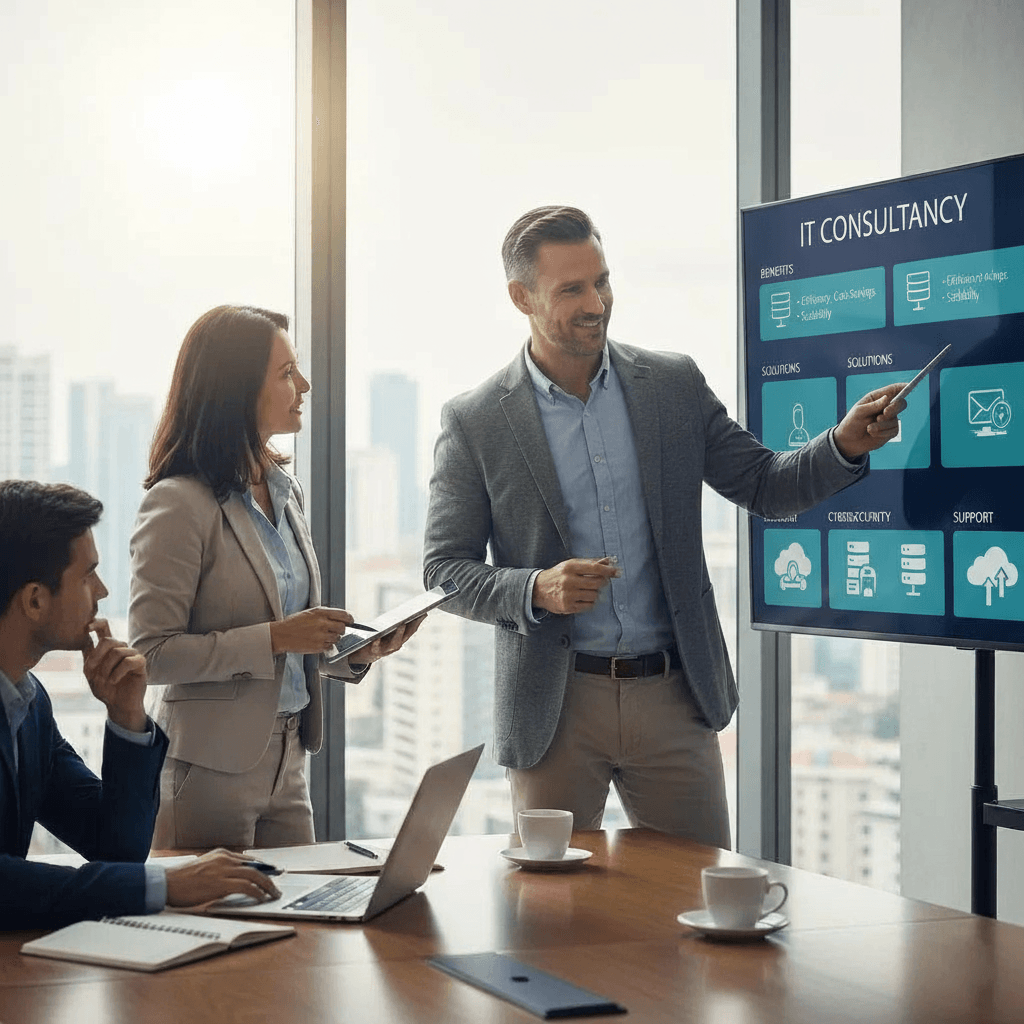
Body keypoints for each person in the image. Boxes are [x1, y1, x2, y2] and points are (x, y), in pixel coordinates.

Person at [423, 206, 907, 847]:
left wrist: (842, 445)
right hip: (554, 707)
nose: (596, 303)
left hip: (676, 695)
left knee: (702, 889)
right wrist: (536, 588)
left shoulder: (672, 385)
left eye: (602, 281)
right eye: (572, 289)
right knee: (552, 904)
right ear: (522, 297)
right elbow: (443, 572)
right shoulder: (476, 419)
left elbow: (764, 484)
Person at [130, 305, 422, 850]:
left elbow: (290, 648)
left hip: (290, 760)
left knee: (301, 905)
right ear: (237, 390)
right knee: (217, 905)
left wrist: (352, 652)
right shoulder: (178, 503)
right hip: (207, 768)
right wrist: (276, 637)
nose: (304, 386)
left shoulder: (286, 491)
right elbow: (151, 655)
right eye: (287, 373)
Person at [0, 480, 281, 930]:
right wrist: (164, 884)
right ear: (35, 600)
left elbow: (116, 847)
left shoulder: (28, 704)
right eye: (87, 575)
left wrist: (127, 716)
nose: (102, 591)